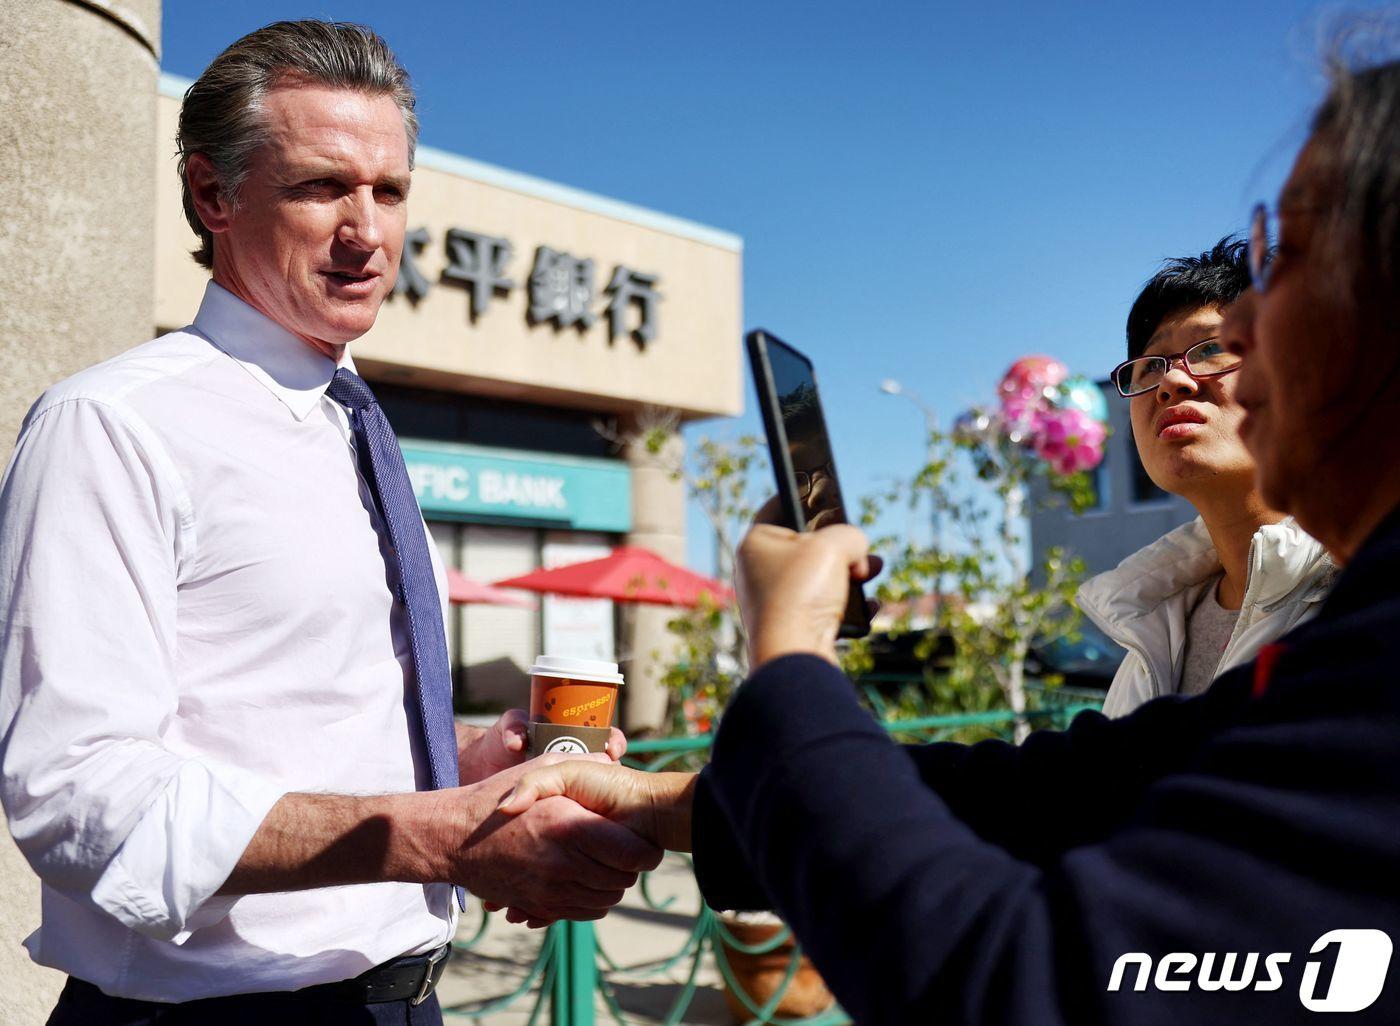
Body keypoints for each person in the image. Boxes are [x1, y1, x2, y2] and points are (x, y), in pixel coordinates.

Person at [500, 52, 1400, 1024]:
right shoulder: (1206, 624)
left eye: (1288, 256)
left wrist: (788, 650)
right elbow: (1046, 798)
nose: (1246, 321)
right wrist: (649, 803)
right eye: (1147, 365)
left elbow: (1020, 980)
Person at [0, 21, 658, 1024]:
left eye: (389, 191)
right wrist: (445, 833)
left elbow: (302, 720)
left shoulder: (348, 418)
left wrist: (467, 762)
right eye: (321, 187)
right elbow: (75, 792)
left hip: (402, 998)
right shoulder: (113, 423)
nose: (367, 232)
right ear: (212, 194)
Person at [1083, 238, 1334, 717]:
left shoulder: (1366, 593)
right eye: (1149, 366)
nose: (1172, 382)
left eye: (1213, 348)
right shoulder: (1152, 633)